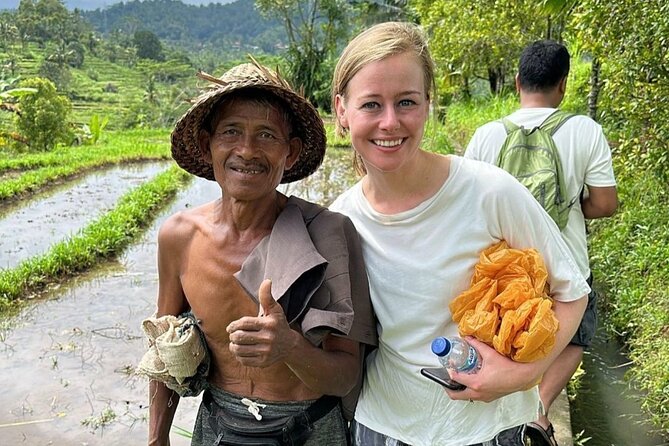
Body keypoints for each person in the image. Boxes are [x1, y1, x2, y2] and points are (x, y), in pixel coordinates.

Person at [329, 22, 590, 446]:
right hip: (382, 425)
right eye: (371, 104)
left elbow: (573, 291)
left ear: (429, 103)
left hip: (485, 428)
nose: (390, 122)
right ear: (342, 110)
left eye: (407, 102)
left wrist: (520, 375)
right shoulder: (340, 220)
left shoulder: (488, 191)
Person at [147, 60, 376, 446]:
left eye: (267, 135)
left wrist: (290, 348)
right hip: (217, 425)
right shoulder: (179, 236)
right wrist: (157, 438)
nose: (247, 150)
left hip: (309, 427)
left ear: (290, 153)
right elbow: (164, 349)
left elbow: (345, 375)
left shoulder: (328, 234)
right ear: (207, 145)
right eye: (231, 131)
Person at [464, 40, 617, 445]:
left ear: (517, 82)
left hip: (505, 266)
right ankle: (539, 409)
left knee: (504, 336)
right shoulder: (585, 130)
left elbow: (468, 210)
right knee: (575, 336)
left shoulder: (486, 135)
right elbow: (604, 203)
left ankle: (499, 414)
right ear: (563, 85)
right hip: (566, 265)